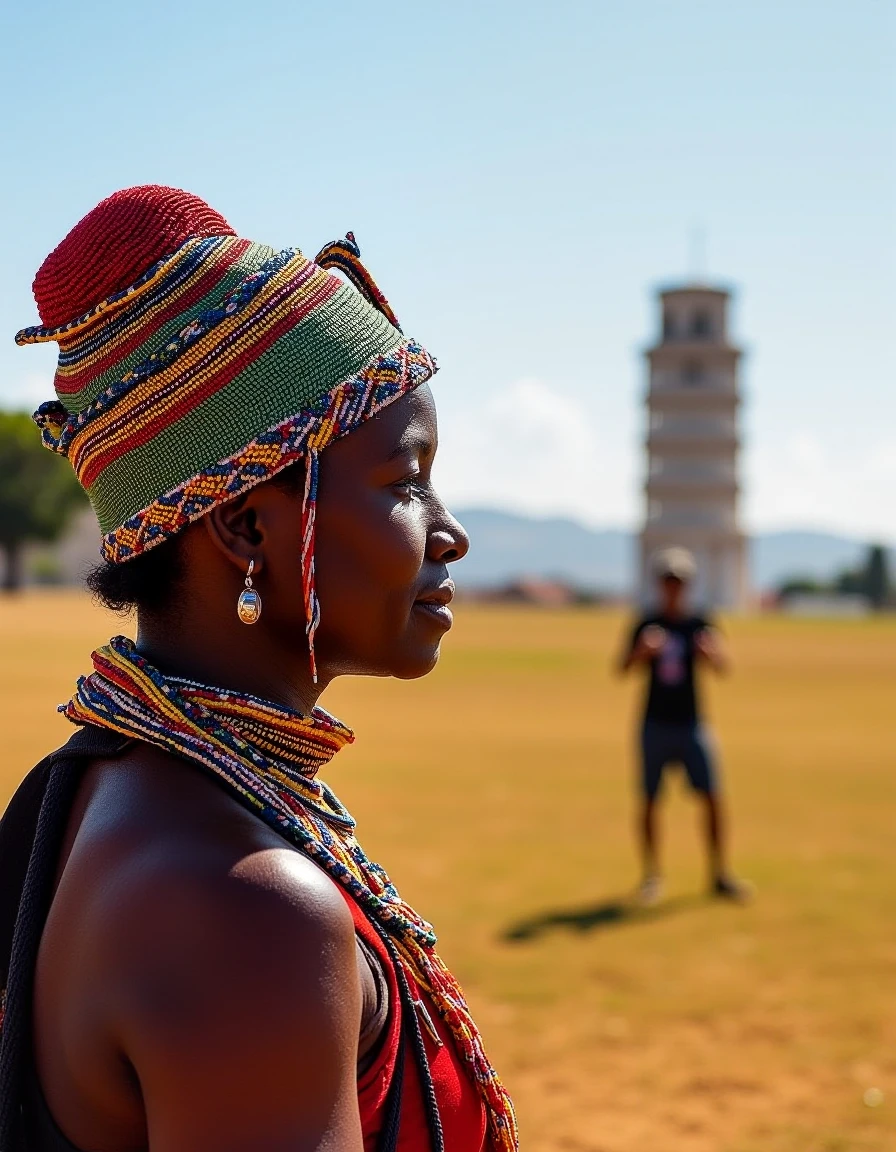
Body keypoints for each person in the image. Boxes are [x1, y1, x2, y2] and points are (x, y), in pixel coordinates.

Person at [0, 187, 517, 1152]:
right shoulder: (244, 909)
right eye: (405, 479)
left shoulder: (104, 788)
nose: (449, 532)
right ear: (245, 528)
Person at [619, 547, 750, 905]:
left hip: (692, 724)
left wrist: (711, 653)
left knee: (711, 798)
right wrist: (643, 651)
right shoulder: (647, 623)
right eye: (668, 581)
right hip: (654, 724)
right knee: (649, 801)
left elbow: (723, 666)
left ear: (688, 585)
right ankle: (651, 877)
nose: (673, 588)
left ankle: (719, 873)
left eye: (679, 582)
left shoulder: (700, 624)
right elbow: (622, 668)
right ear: (660, 584)